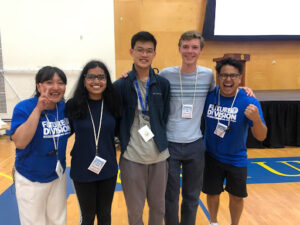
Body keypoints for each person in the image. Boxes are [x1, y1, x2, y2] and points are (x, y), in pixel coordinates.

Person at [114, 31, 170, 225]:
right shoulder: (120, 85)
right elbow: (116, 118)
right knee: (135, 211)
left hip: (159, 157)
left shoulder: (162, 84)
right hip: (132, 157)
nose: (144, 55)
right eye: (140, 50)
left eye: (149, 51)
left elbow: (165, 116)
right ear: (131, 52)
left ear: (154, 53)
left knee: (158, 208)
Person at [202, 57, 267, 225]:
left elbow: (261, 136)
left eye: (233, 75)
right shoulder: (208, 96)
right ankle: (213, 222)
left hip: (236, 158)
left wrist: (257, 120)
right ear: (218, 77)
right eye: (224, 75)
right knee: (212, 193)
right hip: (211, 156)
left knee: (237, 196)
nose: (228, 79)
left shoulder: (249, 101)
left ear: (240, 77)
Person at [160, 30, 214, 225]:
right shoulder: (166, 74)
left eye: (194, 47)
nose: (189, 51)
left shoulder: (208, 75)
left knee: (192, 196)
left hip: (195, 145)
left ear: (201, 50)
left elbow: (220, 94)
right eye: (185, 47)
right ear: (179, 49)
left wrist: (242, 88)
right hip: (170, 144)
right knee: (170, 196)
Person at [10, 66, 71, 225]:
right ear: (39, 86)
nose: (56, 87)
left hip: (57, 176)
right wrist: (38, 109)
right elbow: (21, 142)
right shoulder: (24, 107)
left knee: (58, 221)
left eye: (61, 83)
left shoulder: (65, 108)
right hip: (31, 177)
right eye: (49, 82)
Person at [65, 60, 121, 225]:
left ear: (107, 80)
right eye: (91, 77)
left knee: (105, 215)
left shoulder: (113, 103)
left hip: (108, 168)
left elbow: (120, 131)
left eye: (101, 77)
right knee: (87, 216)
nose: (96, 81)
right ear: (84, 80)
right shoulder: (73, 105)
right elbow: (63, 133)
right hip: (82, 169)